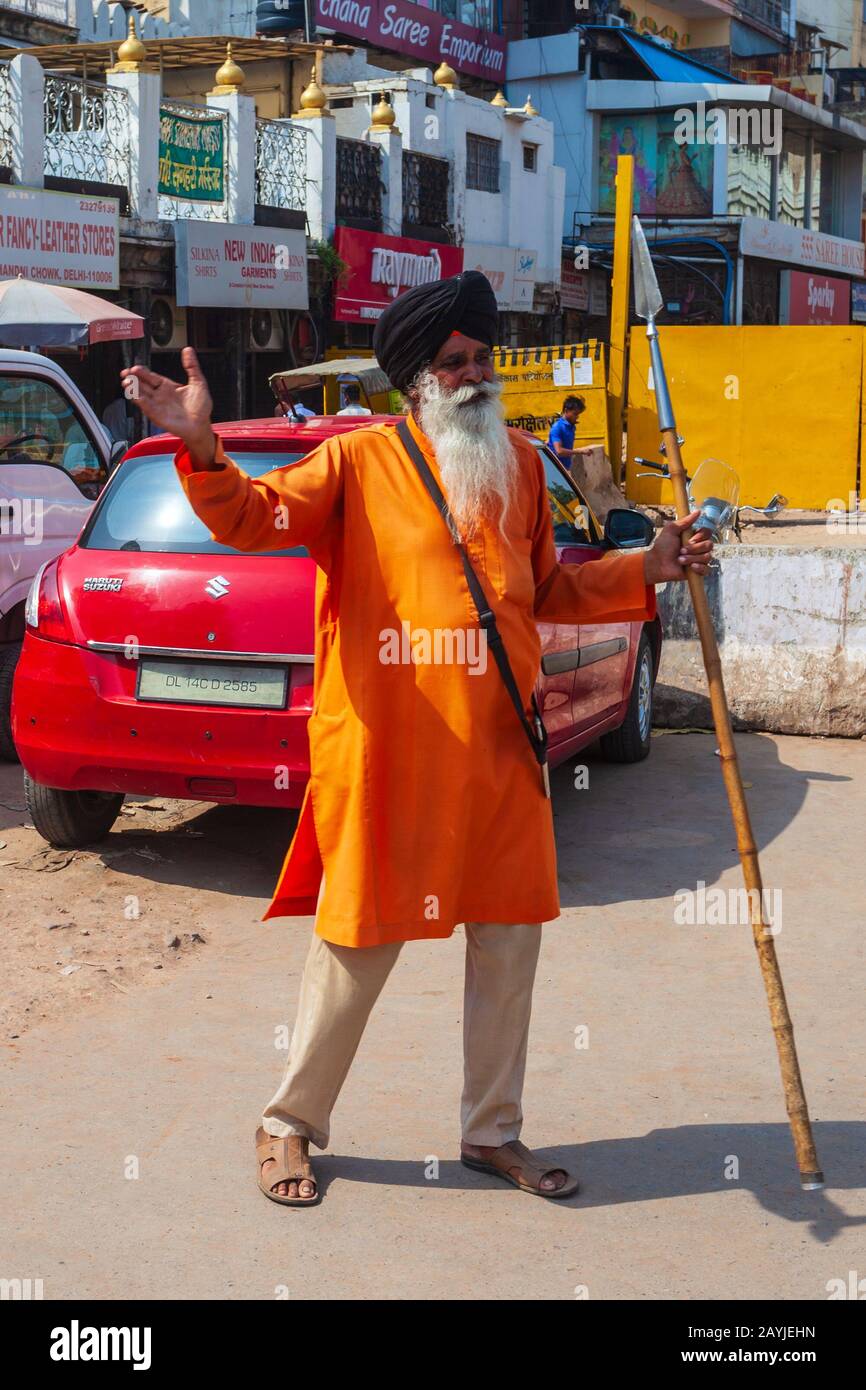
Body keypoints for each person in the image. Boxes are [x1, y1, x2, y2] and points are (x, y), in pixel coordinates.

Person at [120, 272, 712, 1209]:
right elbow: (253, 517)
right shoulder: (358, 465)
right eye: (453, 363)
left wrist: (651, 563)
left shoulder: (519, 465)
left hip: (501, 756)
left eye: (481, 357)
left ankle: (493, 1134)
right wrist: (200, 444)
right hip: (392, 752)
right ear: (415, 384)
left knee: (511, 943)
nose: (475, 374)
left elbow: (548, 593)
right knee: (358, 945)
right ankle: (288, 1123)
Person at [547, 395, 586, 463]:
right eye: (575, 414)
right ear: (566, 410)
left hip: (565, 468)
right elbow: (559, 451)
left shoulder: (571, 427)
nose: (577, 417)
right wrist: (580, 451)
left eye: (578, 414)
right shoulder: (557, 427)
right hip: (556, 469)